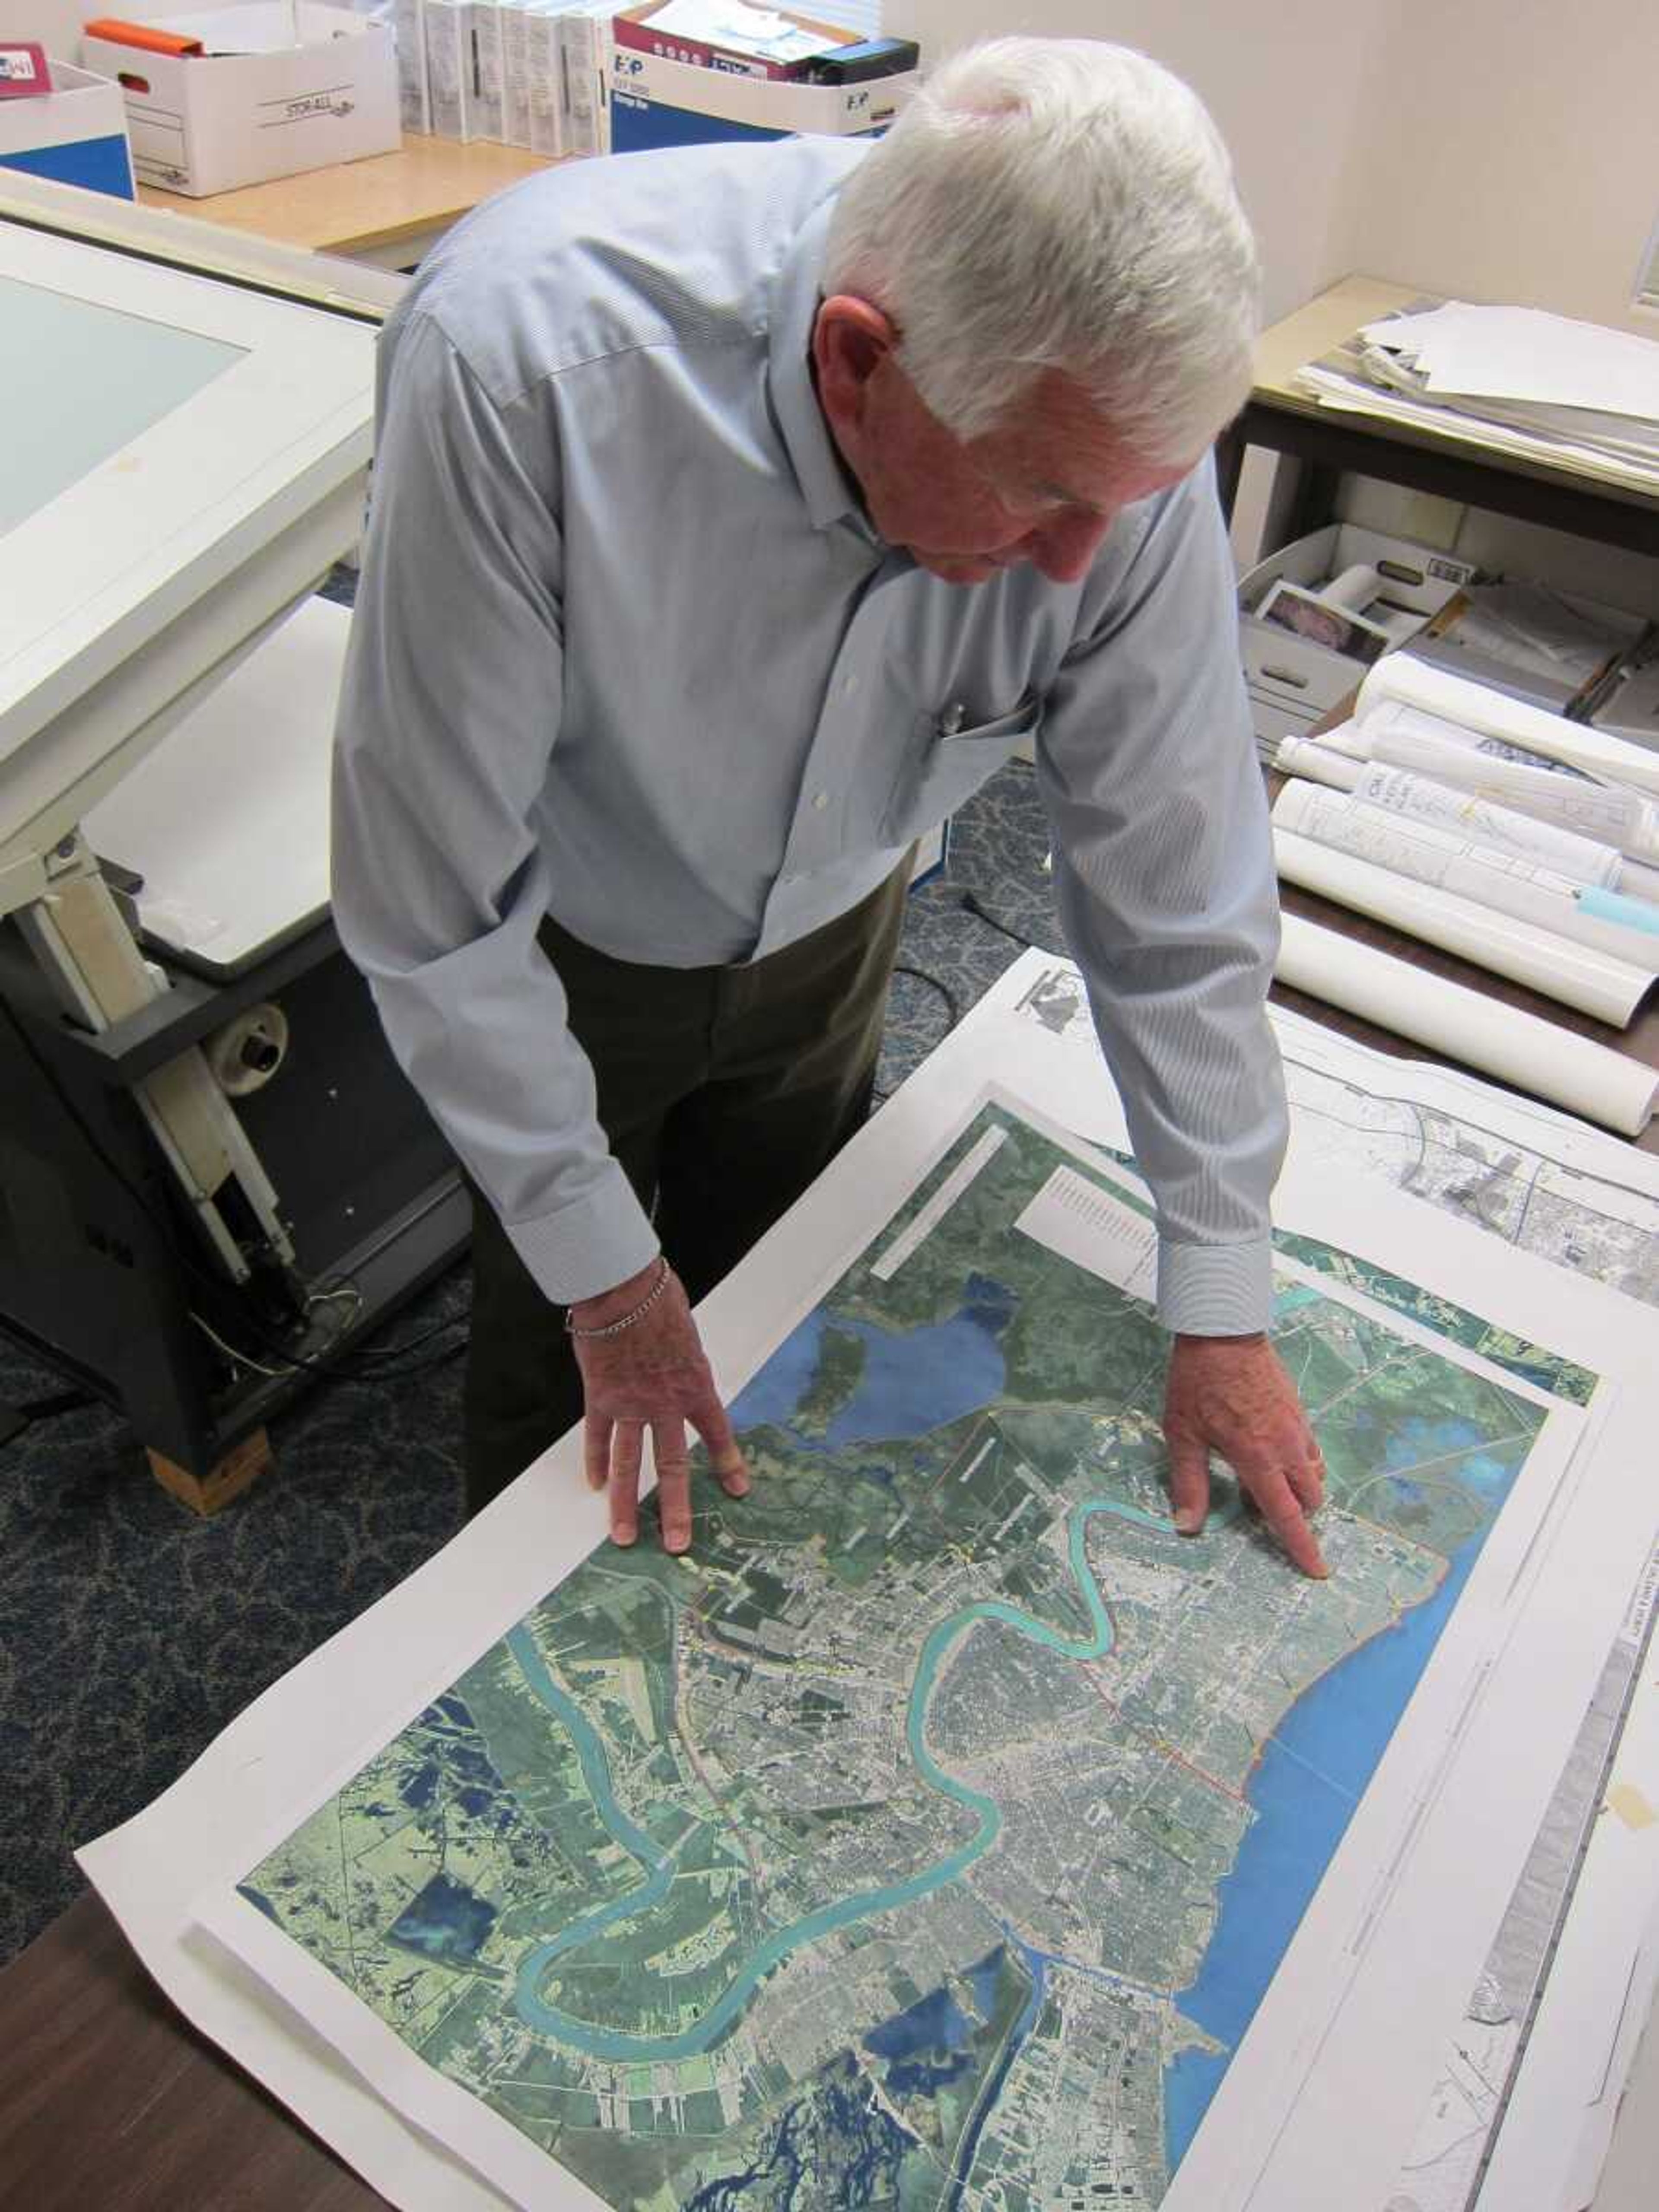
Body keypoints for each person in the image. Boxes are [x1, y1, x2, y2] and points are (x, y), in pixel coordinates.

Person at [331, 37, 1329, 1577]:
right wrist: (607, 1282)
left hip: (841, 918)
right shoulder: (522, 364)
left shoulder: (1103, 438)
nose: (1080, 563)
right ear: (859, 363)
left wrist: (1220, 1285)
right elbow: (430, 907)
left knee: (787, 1305)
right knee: (574, 1370)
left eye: (1112, 509)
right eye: (1038, 499)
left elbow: (1174, 874)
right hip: (570, 949)